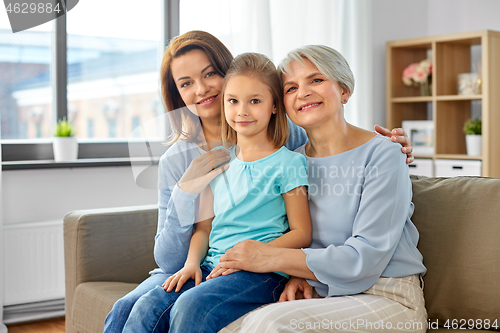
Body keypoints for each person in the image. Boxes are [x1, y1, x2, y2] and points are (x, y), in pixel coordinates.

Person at [103, 30, 414, 332]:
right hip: (212, 263)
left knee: (205, 310)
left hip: (293, 272)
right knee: (129, 309)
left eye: (209, 74)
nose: (201, 89)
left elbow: (307, 226)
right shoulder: (189, 160)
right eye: (186, 83)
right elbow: (178, 250)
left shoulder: (291, 145)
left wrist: (393, 146)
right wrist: (186, 193)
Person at [214, 45, 427, 333]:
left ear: (344, 90)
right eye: (290, 88)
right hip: (323, 292)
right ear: (281, 105)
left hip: (387, 296)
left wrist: (269, 256)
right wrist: (302, 275)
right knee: (223, 324)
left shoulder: (383, 153)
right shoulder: (292, 162)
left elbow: (365, 257)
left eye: (316, 80)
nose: (302, 92)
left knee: (270, 323)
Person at [121, 52, 312, 332]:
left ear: (274, 106)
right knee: (146, 307)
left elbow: (302, 232)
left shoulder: (289, 162)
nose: (242, 111)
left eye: (255, 101)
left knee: (191, 306)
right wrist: (190, 264)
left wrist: (254, 253)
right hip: (212, 264)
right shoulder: (218, 162)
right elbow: (204, 228)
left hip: (262, 270)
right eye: (233, 101)